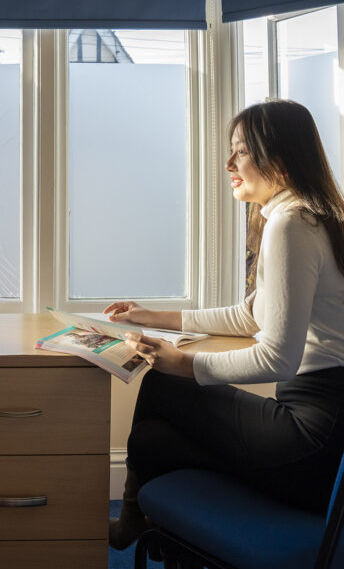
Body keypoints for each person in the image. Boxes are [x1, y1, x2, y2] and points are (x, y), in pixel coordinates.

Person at [104, 100, 344, 551]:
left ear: (281, 156)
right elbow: (251, 316)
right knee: (154, 438)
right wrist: (149, 315)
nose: (228, 163)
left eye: (241, 151)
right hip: (326, 438)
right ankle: (145, 523)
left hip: (315, 441)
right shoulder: (312, 214)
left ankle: (135, 522)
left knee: (163, 385)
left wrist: (183, 363)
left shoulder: (292, 224)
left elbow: (279, 357)